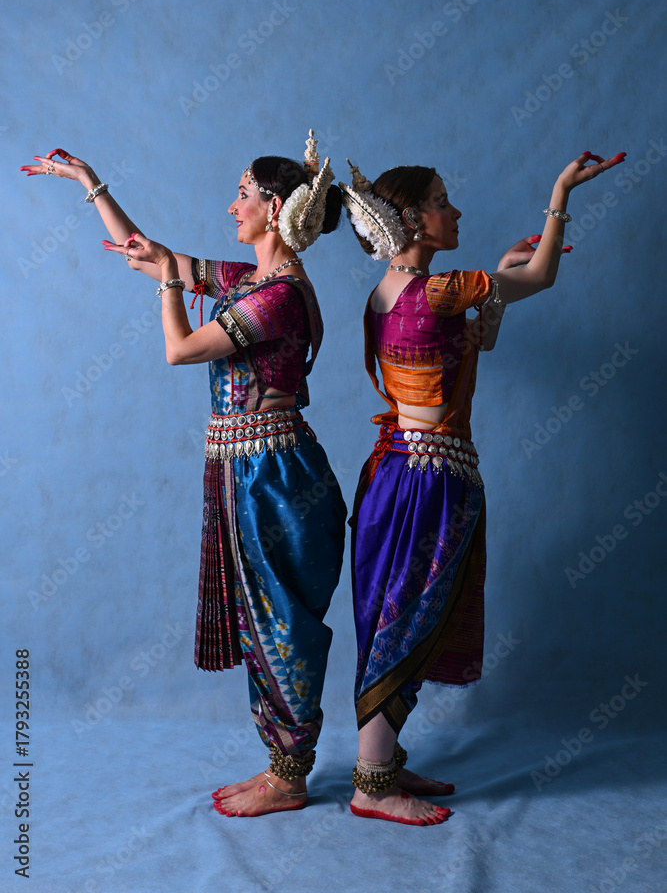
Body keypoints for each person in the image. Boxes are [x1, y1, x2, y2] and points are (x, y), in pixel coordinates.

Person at [20, 133, 347, 817]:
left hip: (276, 475)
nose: (231, 206)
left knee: (279, 616)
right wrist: (92, 182)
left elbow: (179, 349)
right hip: (244, 468)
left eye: (242, 193)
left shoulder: (280, 296)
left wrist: (169, 283)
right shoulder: (251, 281)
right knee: (261, 616)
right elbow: (153, 252)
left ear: (275, 206)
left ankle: (290, 773)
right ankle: (279, 765)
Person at [339, 148, 626, 825]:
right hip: (426, 482)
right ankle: (371, 786)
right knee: (405, 617)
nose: (455, 210)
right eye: (441, 201)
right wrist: (559, 194)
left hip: (396, 471)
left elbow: (473, 342)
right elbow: (545, 275)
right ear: (409, 219)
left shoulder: (384, 295)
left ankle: (382, 760)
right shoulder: (438, 290)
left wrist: (496, 278)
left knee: (404, 611)